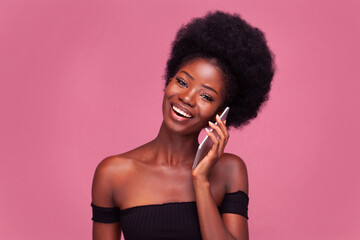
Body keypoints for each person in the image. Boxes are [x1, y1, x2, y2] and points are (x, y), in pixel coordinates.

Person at [91, 11, 275, 240]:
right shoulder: (113, 173)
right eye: (182, 82)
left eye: (206, 97)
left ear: (220, 113)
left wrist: (201, 181)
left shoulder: (230, 170)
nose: (187, 98)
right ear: (168, 81)